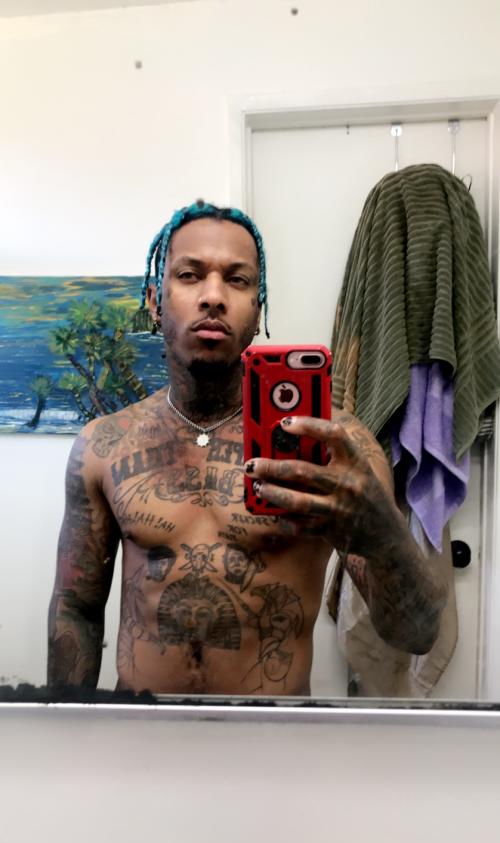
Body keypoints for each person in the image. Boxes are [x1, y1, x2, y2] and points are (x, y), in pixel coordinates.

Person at [47, 201, 447, 695]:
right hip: (142, 728)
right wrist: (68, 727)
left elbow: (415, 634)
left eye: (237, 280)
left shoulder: (335, 446)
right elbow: (76, 608)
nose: (213, 296)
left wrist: (383, 533)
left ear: (258, 310)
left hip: (274, 734)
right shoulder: (104, 445)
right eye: (190, 275)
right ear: (155, 300)